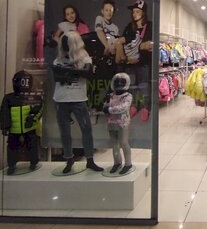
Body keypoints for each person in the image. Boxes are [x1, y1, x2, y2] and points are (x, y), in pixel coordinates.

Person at [52, 31, 103, 174]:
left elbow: (88, 74)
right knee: (64, 132)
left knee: (86, 129)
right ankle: (69, 159)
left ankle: (90, 160)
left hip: (78, 99)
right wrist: (75, 71)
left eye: (67, 43)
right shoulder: (58, 60)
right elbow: (57, 77)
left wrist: (67, 71)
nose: (64, 46)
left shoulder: (84, 57)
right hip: (61, 99)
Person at [114, 0, 153, 121]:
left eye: (137, 11)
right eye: (133, 12)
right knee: (132, 86)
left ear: (143, 13)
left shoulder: (150, 26)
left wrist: (145, 45)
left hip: (143, 63)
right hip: (130, 62)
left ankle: (145, 107)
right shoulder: (129, 27)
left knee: (144, 86)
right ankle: (134, 105)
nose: (134, 14)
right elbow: (124, 40)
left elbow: (151, 44)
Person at [0, 71, 43, 175]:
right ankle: (11, 165)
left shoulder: (34, 96)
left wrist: (32, 119)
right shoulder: (9, 98)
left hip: (29, 127)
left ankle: (33, 163)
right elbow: (4, 113)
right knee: (12, 147)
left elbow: (40, 110)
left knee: (32, 145)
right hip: (14, 128)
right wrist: (5, 126)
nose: (24, 84)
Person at [103, 73, 133, 174]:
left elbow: (123, 108)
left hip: (123, 123)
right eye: (117, 82)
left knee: (124, 142)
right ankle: (117, 162)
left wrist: (109, 109)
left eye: (121, 82)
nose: (119, 84)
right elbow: (105, 106)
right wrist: (106, 108)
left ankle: (128, 163)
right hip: (111, 122)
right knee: (114, 144)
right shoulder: (110, 95)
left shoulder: (128, 96)